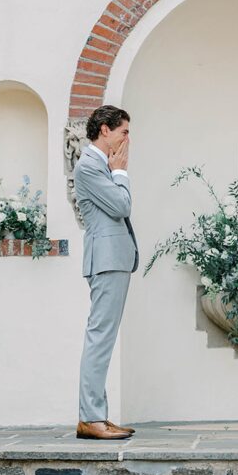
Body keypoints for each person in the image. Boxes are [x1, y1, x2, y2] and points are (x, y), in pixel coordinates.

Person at [72, 105, 140, 440]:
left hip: (114, 259)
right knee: (99, 338)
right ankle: (90, 418)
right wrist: (121, 172)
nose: (128, 139)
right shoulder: (89, 166)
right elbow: (121, 206)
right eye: (124, 131)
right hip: (106, 259)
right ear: (105, 130)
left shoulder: (101, 165)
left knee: (104, 338)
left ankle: (97, 414)